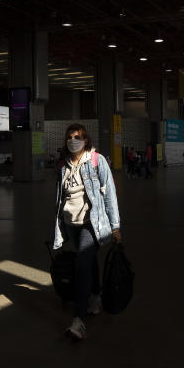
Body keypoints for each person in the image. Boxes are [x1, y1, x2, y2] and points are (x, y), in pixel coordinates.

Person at [53, 123, 122, 341]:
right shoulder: (63, 165)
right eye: (70, 136)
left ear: (86, 140)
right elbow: (61, 197)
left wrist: (115, 225)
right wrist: (59, 227)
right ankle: (95, 296)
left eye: (78, 137)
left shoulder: (96, 161)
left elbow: (109, 193)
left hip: (89, 223)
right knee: (88, 261)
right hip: (70, 223)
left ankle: (79, 321)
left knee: (82, 266)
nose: (74, 140)